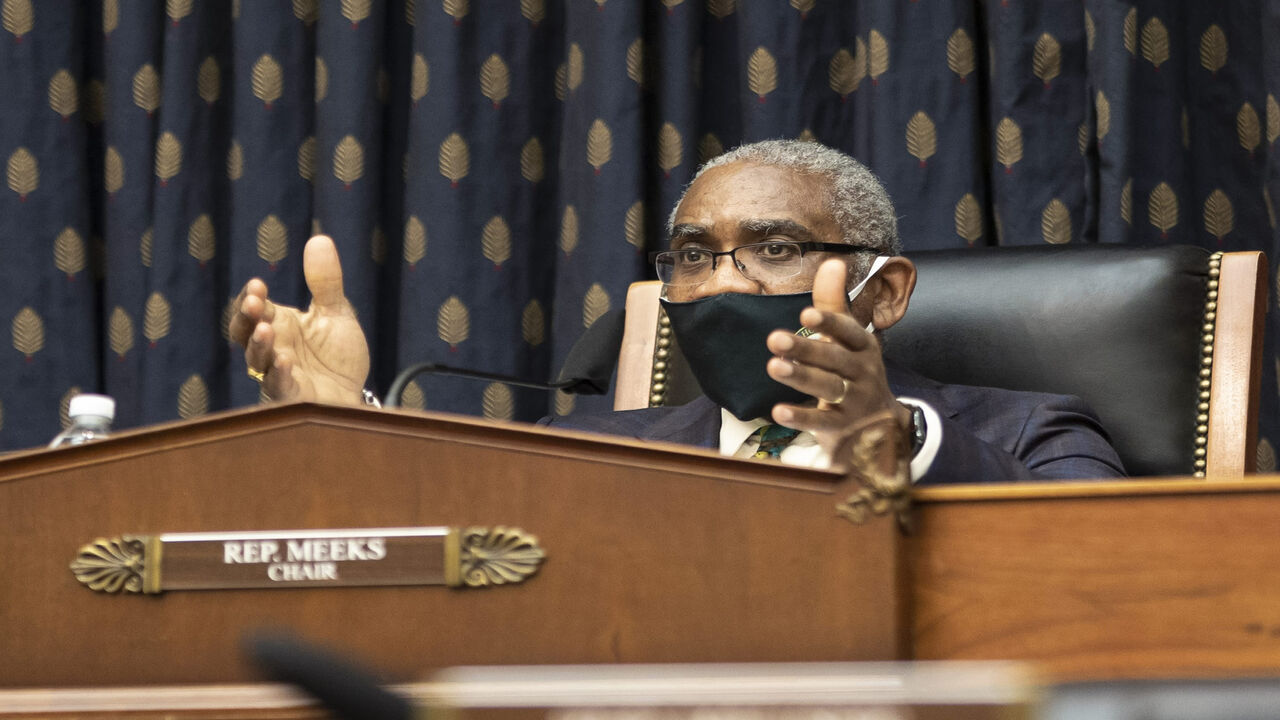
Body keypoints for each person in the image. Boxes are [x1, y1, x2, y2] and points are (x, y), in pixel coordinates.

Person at [230, 140, 1125, 484]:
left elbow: (1101, 580)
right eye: (695, 257)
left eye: (774, 250)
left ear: (881, 293)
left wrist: (890, 437)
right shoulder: (596, 454)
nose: (726, 284)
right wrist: (339, 424)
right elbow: (443, 556)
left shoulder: (1033, 435)